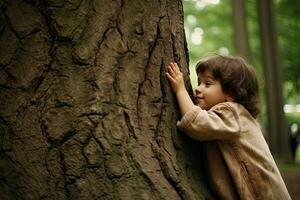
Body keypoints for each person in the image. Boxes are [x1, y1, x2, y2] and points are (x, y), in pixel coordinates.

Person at [166, 54, 291, 200]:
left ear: (231, 93)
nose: (198, 89)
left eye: (208, 84)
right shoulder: (236, 116)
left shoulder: (230, 112)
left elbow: (196, 123)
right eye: (199, 82)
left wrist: (180, 90)